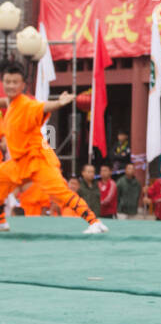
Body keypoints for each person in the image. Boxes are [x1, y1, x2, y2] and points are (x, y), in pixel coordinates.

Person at [0, 62, 107, 234]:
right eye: (7, 81)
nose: (11, 85)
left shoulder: (27, 104)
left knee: (60, 193)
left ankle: (94, 222)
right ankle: (2, 222)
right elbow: (4, 102)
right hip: (19, 163)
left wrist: (58, 103)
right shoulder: (11, 103)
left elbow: (43, 106)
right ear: (3, 82)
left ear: (23, 85)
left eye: (15, 82)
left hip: (38, 160)